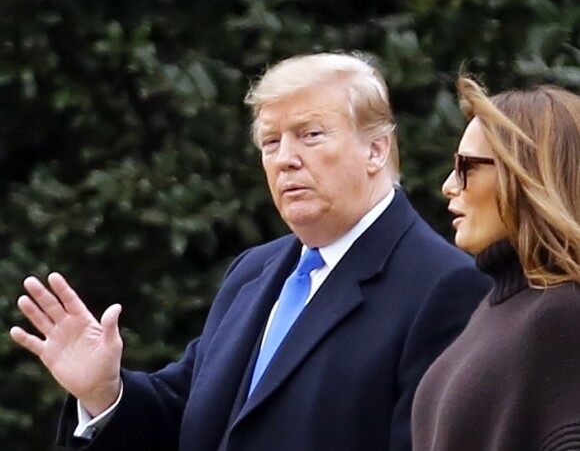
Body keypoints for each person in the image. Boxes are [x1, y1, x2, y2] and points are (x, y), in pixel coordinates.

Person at [10, 53, 490, 451]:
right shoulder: (254, 270)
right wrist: (104, 392)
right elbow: (187, 419)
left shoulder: (445, 286)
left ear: (376, 150)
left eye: (311, 134)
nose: (285, 158)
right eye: (270, 142)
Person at [412, 76, 580, 450]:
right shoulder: (500, 307)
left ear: (529, 173)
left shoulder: (562, 315)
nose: (448, 185)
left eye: (466, 166)